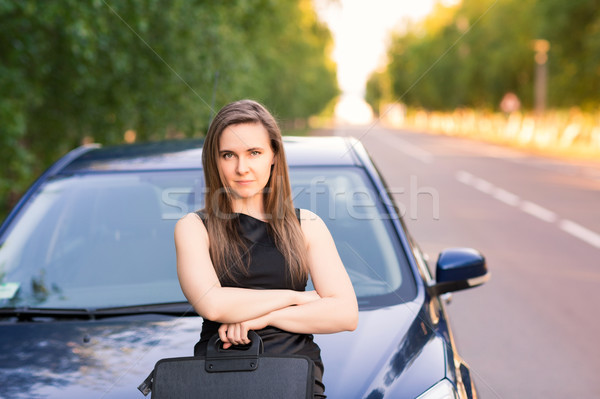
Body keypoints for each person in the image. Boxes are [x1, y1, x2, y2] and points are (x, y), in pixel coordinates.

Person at [174, 99, 358, 398]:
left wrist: (265, 318)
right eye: (228, 154)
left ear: (273, 155)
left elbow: (346, 314)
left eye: (254, 153)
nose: (241, 167)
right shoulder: (194, 227)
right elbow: (213, 304)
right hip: (219, 381)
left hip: (297, 382)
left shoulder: (306, 225)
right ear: (215, 160)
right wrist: (296, 298)